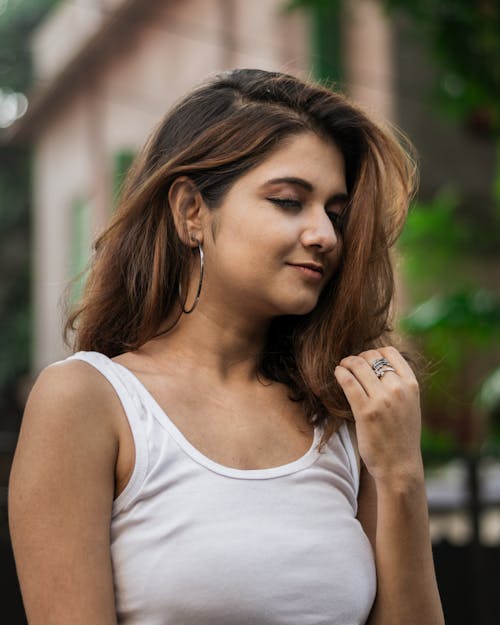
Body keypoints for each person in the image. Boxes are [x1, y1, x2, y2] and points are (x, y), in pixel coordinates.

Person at [8, 68, 445, 625]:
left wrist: (402, 473)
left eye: (334, 212)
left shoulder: (342, 414)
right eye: (289, 201)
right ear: (192, 211)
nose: (326, 235)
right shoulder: (89, 402)